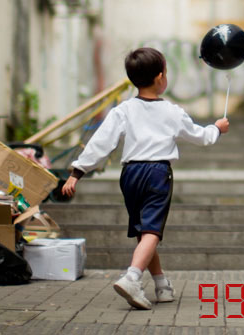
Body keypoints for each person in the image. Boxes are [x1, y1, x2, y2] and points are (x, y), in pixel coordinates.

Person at [61, 47, 229, 310]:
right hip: (157, 174)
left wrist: (77, 172)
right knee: (152, 232)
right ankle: (132, 278)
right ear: (161, 76)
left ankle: (162, 286)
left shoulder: (124, 110)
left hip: (130, 175)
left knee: (144, 232)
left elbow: (101, 143)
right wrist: (217, 129)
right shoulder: (172, 112)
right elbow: (202, 137)